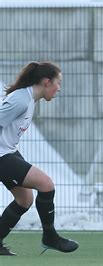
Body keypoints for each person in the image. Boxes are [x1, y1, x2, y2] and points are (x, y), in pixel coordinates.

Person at [0, 62, 79, 256]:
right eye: (58, 83)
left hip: (8, 150)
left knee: (24, 199)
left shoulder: (29, 98)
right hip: (1, 155)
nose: (59, 88)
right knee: (46, 184)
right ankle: (50, 237)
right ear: (46, 82)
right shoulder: (20, 99)